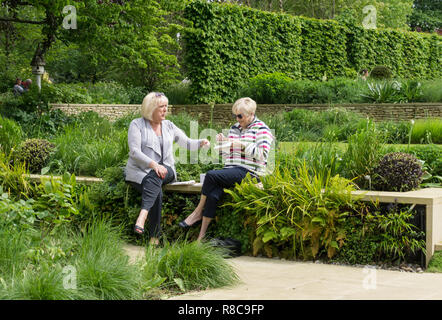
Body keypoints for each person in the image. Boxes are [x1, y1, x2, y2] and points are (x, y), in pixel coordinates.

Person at [179, 97, 274, 241]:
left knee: (211, 175)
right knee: (213, 194)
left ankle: (197, 212)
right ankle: (201, 238)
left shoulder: (262, 129)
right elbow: (226, 156)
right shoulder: (234, 128)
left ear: (251, 114)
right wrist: (221, 144)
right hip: (231, 170)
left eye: (240, 116)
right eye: (235, 115)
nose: (237, 118)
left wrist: (241, 144)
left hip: (250, 172)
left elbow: (263, 155)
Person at [125, 91, 210, 245]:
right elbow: (134, 152)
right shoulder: (136, 125)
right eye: (161, 107)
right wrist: (153, 165)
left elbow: (187, 142)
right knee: (155, 187)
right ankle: (154, 238)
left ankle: (142, 216)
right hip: (140, 172)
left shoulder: (169, 125)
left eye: (166, 106)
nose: (165, 110)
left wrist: (201, 142)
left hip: (166, 170)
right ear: (150, 108)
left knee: (158, 175)